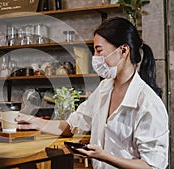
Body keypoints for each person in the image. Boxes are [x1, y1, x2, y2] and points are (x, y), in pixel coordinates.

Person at [16, 17, 169, 169]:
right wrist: (35, 122)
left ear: (123, 50)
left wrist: (104, 156)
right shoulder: (104, 89)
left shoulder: (148, 103)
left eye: (99, 50)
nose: (95, 58)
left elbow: (151, 166)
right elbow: (72, 126)